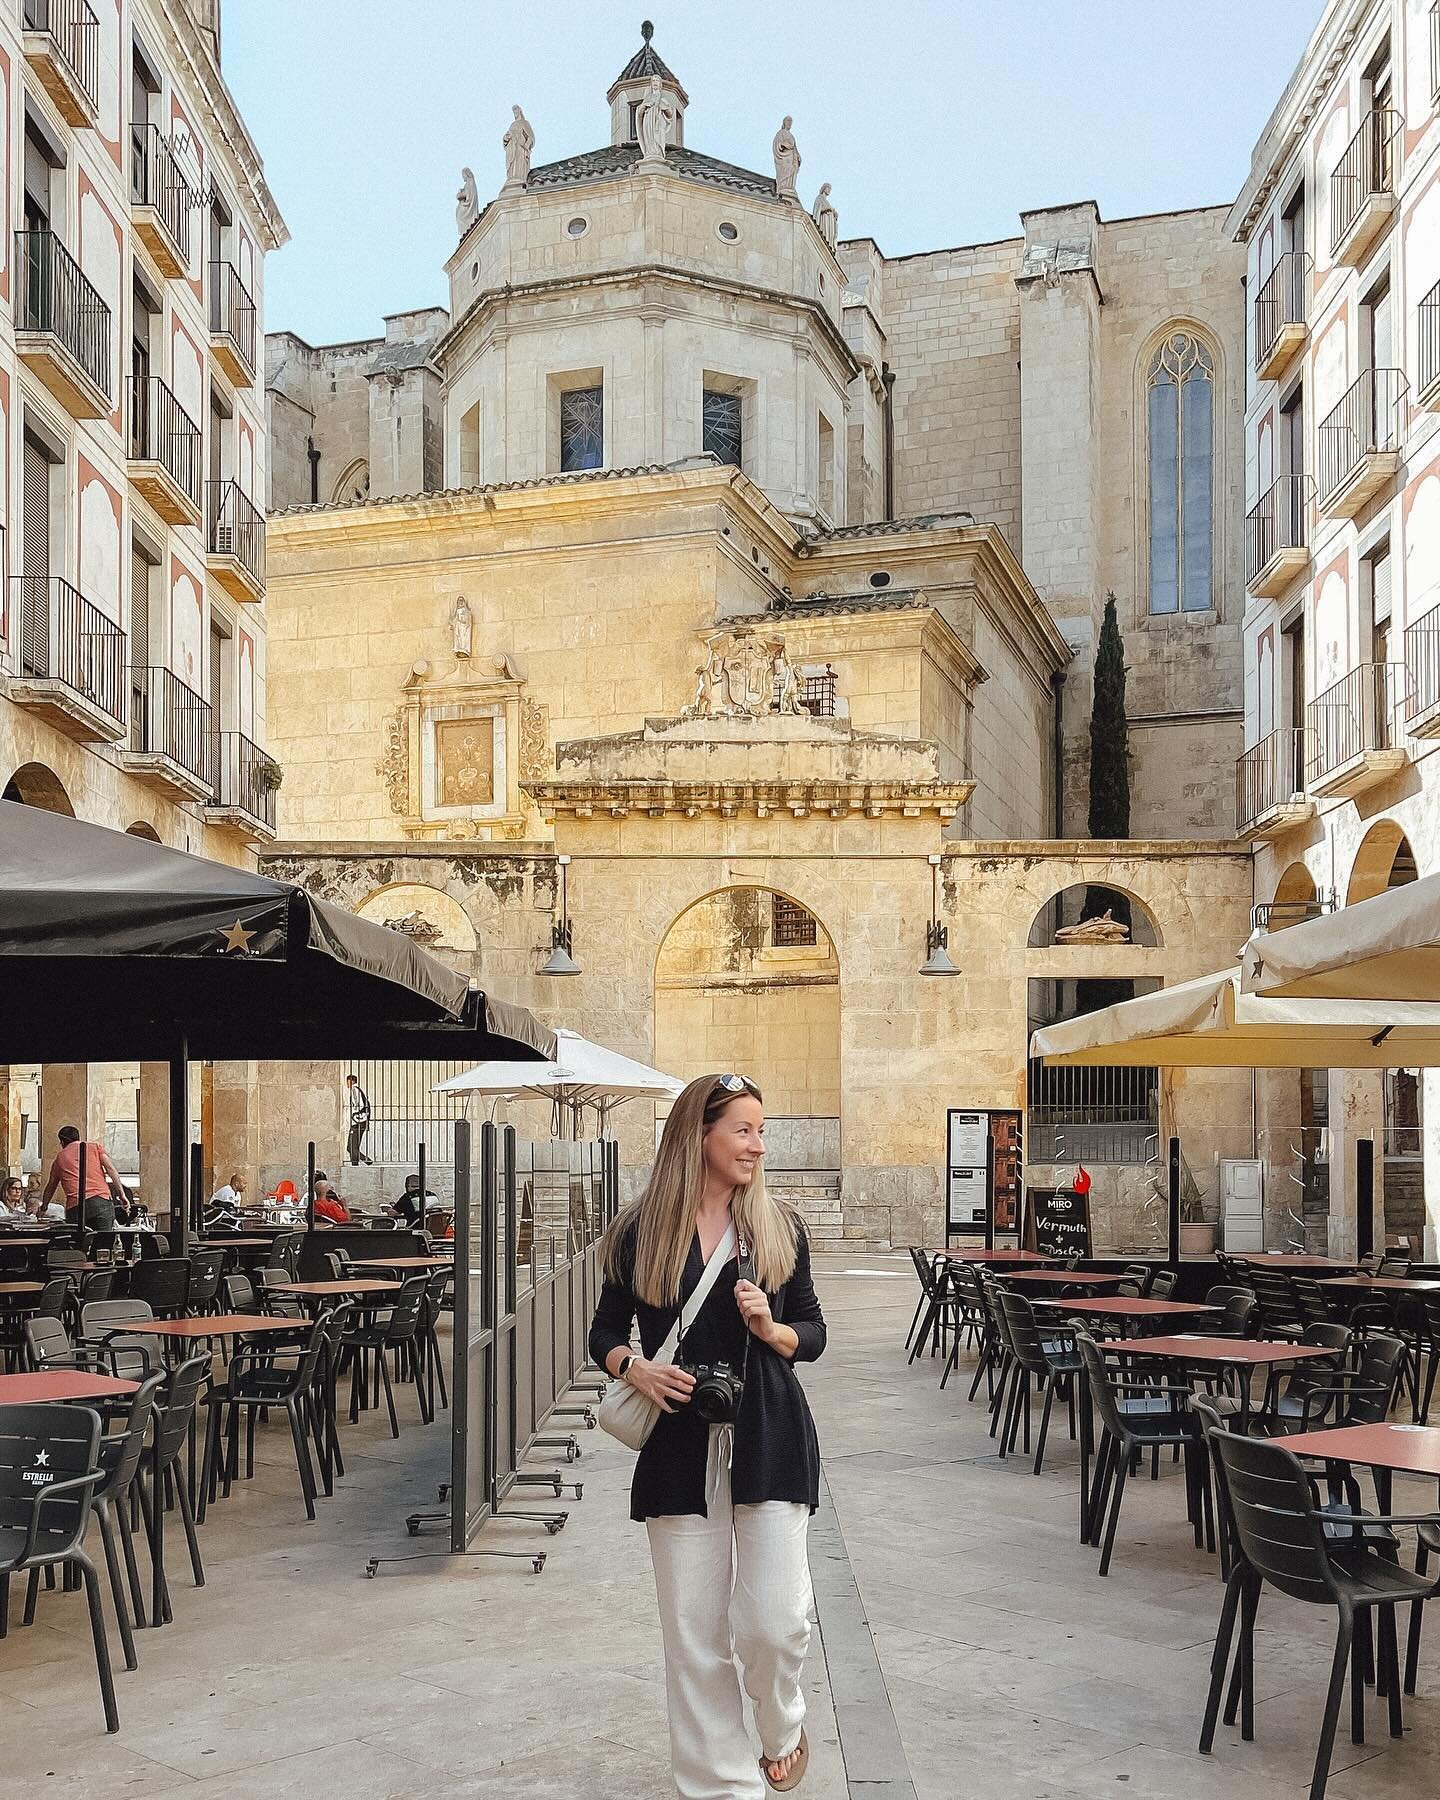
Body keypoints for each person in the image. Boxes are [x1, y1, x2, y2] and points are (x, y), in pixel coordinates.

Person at [589, 1073, 826, 1798]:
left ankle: (781, 1726)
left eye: (761, 1130)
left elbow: (812, 1333)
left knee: (776, 1622)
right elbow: (602, 1332)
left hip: (768, 1434)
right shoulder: (640, 1231)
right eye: (744, 1130)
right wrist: (635, 1369)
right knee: (693, 1639)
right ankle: (722, 1787)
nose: (758, 1145)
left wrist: (772, 1328)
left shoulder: (777, 1225)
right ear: (700, 1135)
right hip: (678, 1443)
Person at [41, 1126, 126, 1232]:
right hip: (101, 1202)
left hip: (75, 1207)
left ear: (62, 1142)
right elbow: (111, 1170)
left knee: (79, 1243)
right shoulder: (95, 1147)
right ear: (78, 1137)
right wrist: (122, 1195)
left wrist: (44, 1207)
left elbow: (51, 1185)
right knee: (104, 1243)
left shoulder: (59, 1158)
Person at [345, 1074, 372, 1166]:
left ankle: (367, 1161)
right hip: (359, 1122)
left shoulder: (354, 1090)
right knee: (352, 1147)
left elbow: (359, 1105)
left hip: (358, 1122)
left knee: (351, 1147)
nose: (347, 1084)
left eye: (347, 1082)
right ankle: (355, 1165)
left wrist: (354, 1116)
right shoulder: (356, 1090)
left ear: (351, 1081)